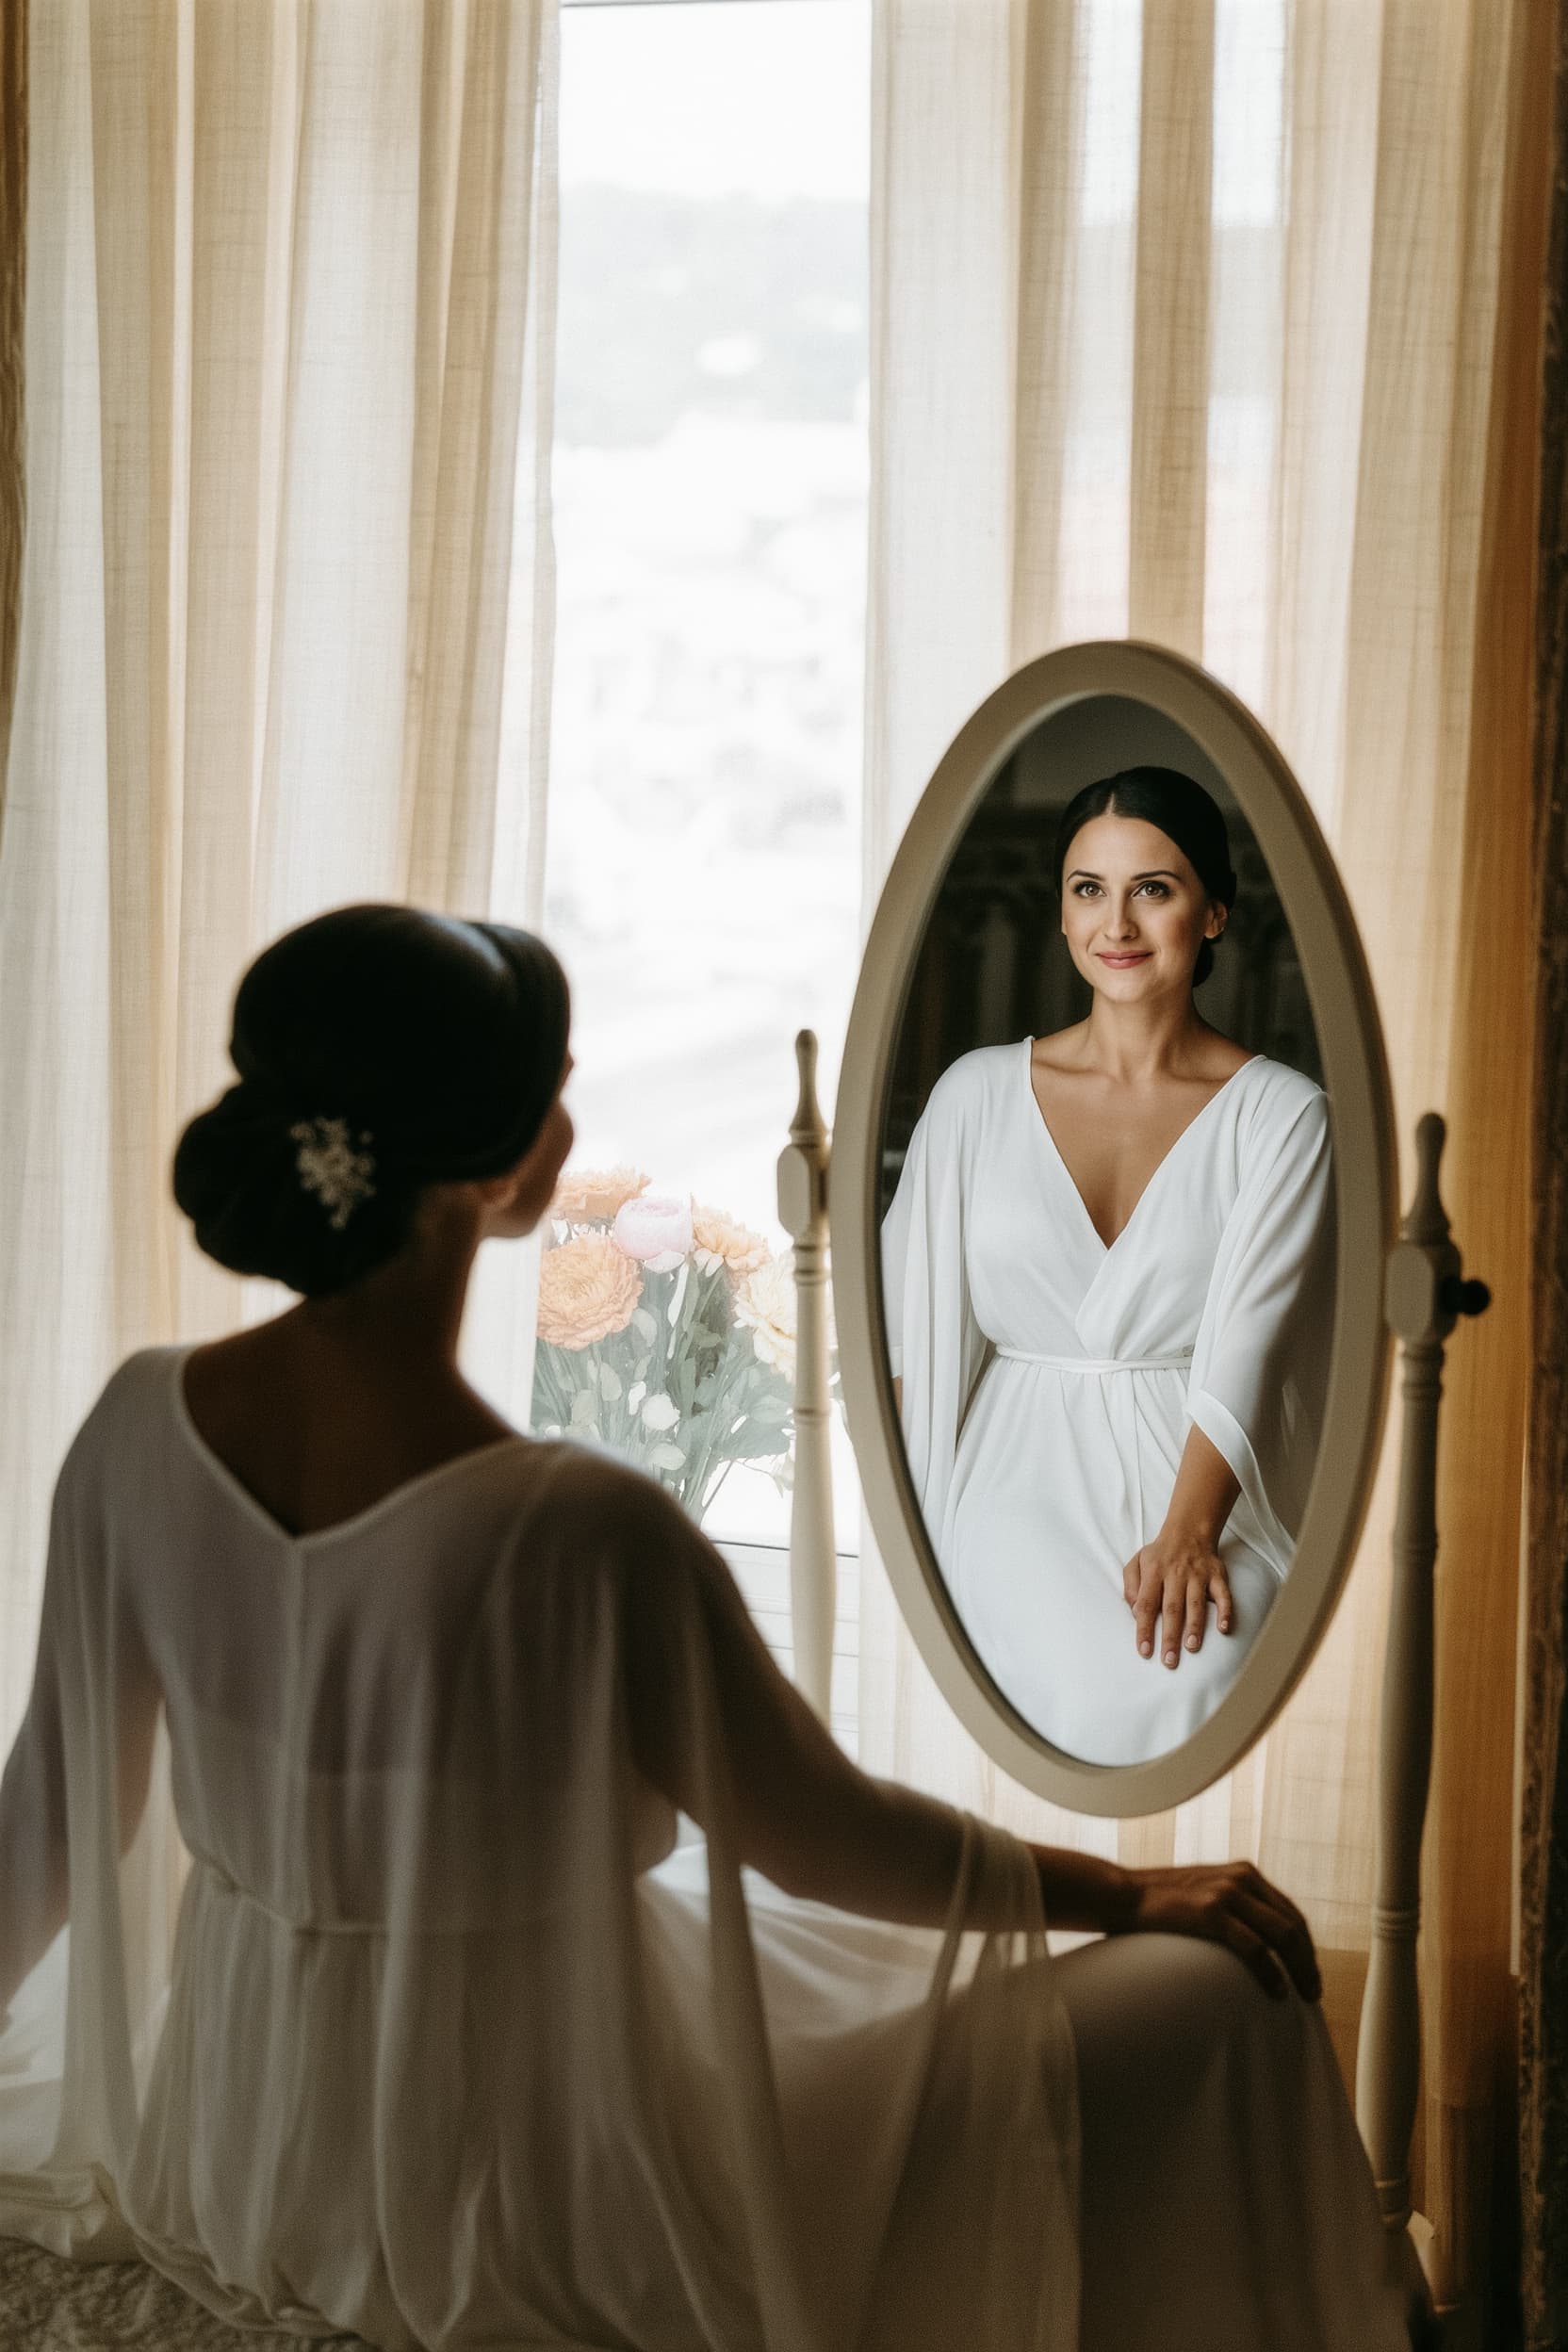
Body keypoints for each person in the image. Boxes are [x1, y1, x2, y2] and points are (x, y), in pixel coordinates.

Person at [0, 905, 1408, 2352]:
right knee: (1216, 1988)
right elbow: (828, 1840)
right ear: (504, 1168)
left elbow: (46, 1821)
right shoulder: (576, 1531)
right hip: (536, 2182)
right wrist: (1127, 1893)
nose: (569, 1113)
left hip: (252, 2150)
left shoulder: (134, 1431)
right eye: (553, 1084)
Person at [883, 768, 1334, 1767]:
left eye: (1153, 889)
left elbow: (1249, 1347)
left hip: (1198, 1475)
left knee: (1204, 1670)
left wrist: (1186, 1534)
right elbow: (909, 1332)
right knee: (1029, 1677)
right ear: (1057, 909)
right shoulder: (972, 1098)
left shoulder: (1281, 1118)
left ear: (1213, 911)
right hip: (1003, 1476)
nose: (1115, 923)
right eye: (1087, 889)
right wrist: (909, 1544)